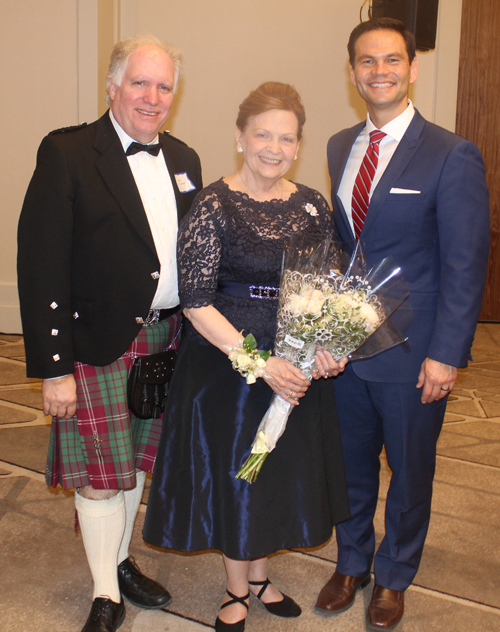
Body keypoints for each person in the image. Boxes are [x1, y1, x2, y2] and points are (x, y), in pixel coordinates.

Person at [143, 81, 350, 631]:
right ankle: (237, 588)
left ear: (298, 144)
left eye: (287, 138)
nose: (274, 148)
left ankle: (260, 576)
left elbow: (329, 282)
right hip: (226, 366)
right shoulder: (213, 202)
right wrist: (260, 364)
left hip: (296, 359)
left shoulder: (311, 203)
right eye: (263, 135)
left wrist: (328, 342)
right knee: (238, 474)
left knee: (275, 473)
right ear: (240, 137)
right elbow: (196, 301)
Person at [17, 35, 202, 632]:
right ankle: (106, 593)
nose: (152, 97)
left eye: (164, 86)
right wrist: (52, 366)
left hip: (163, 342)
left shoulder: (184, 159)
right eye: (140, 83)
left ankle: (119, 560)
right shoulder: (68, 152)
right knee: (100, 473)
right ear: (113, 85)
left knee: (132, 465)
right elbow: (40, 261)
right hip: (96, 344)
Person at [314, 18, 490, 631]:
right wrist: (319, 333)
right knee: (351, 465)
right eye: (367, 61)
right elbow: (341, 251)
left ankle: (394, 574)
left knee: (411, 472)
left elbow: (466, 264)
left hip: (416, 354)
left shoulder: (451, 153)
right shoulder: (340, 145)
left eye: (392, 60)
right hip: (345, 352)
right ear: (353, 70)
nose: (379, 71)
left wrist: (447, 354)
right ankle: (352, 561)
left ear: (412, 68)